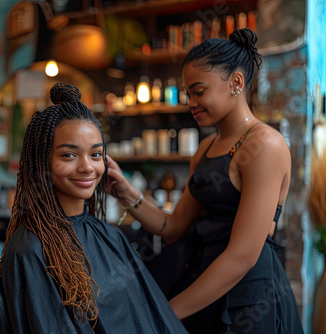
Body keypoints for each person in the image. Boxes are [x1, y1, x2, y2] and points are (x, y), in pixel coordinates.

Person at [107, 29, 304, 333]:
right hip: (202, 289)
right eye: (188, 94)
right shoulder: (205, 150)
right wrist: (125, 191)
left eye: (199, 91)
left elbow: (242, 256)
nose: (191, 103)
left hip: (248, 301)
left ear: (236, 83)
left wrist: (165, 313)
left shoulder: (266, 144)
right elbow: (173, 228)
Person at [0, 83, 187, 333]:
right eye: (69, 155)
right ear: (42, 162)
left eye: (95, 155)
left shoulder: (111, 236)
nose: (87, 167)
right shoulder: (30, 250)